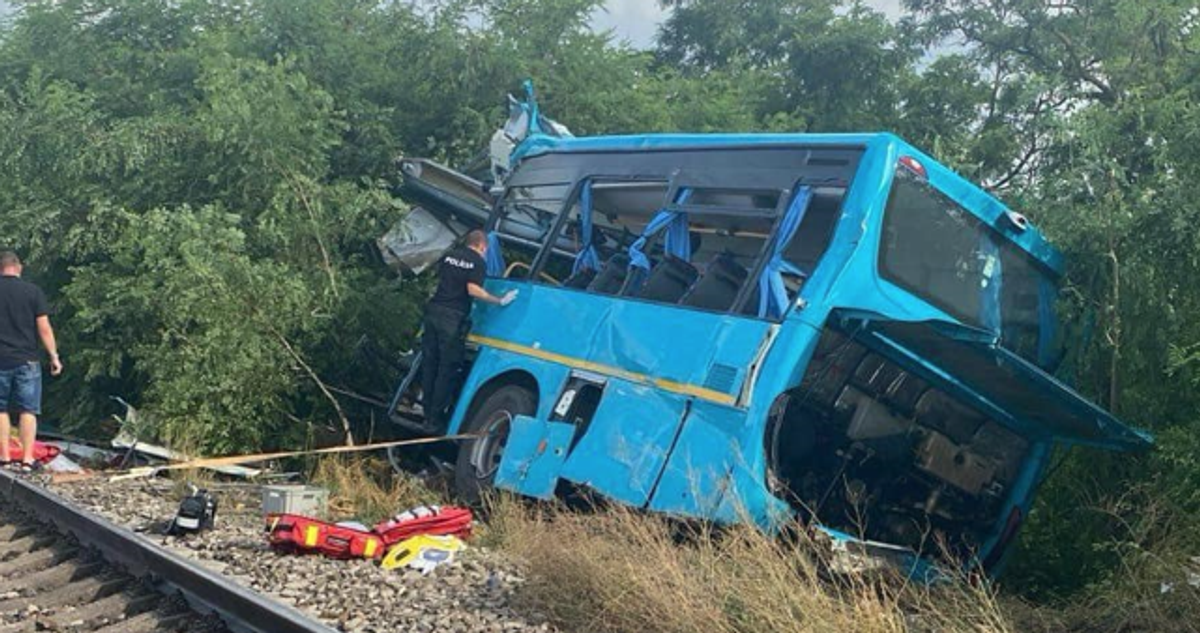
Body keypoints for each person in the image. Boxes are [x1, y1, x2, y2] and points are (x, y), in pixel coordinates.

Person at [421, 231, 517, 430]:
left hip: (434, 311)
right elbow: (472, 290)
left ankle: (425, 412)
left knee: (430, 363)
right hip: (453, 317)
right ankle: (434, 420)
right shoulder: (477, 262)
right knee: (446, 369)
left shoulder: (450, 255)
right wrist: (499, 300)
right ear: (482, 246)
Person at [0, 251, 62, 472]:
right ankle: (27, 460)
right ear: (19, 267)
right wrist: (53, 356)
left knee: (1, 410)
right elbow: (44, 328)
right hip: (27, 360)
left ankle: (5, 458)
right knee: (28, 410)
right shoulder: (33, 292)